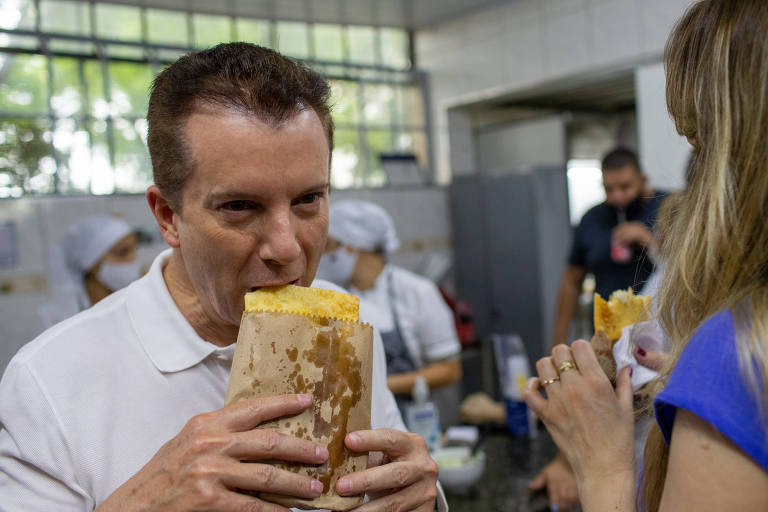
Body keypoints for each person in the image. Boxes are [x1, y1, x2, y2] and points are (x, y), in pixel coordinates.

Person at [0, 43, 442, 511]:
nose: (287, 247)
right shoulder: (49, 382)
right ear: (168, 216)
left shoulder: (350, 331)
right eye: (239, 206)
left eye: (308, 199)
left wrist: (421, 500)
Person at [524, 1, 768, 510]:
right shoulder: (591, 222)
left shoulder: (733, 352)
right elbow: (571, 281)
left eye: (700, 143)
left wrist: (599, 465)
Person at [316, 199, 462, 398]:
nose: (323, 255)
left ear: (353, 246)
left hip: (413, 417)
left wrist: (374, 388)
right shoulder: (337, 297)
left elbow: (449, 370)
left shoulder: (417, 292)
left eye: (330, 246)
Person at [552, 148, 665, 348]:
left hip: (660, 337)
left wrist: (649, 240)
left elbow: (690, 267)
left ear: (643, 179)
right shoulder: (592, 219)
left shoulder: (667, 208)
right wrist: (559, 342)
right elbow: (571, 280)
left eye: (625, 187)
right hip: (609, 340)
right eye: (609, 189)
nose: (617, 196)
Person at [37, 215, 140, 331]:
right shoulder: (54, 318)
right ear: (91, 262)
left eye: (134, 250)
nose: (133, 260)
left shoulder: (139, 306)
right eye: (122, 253)